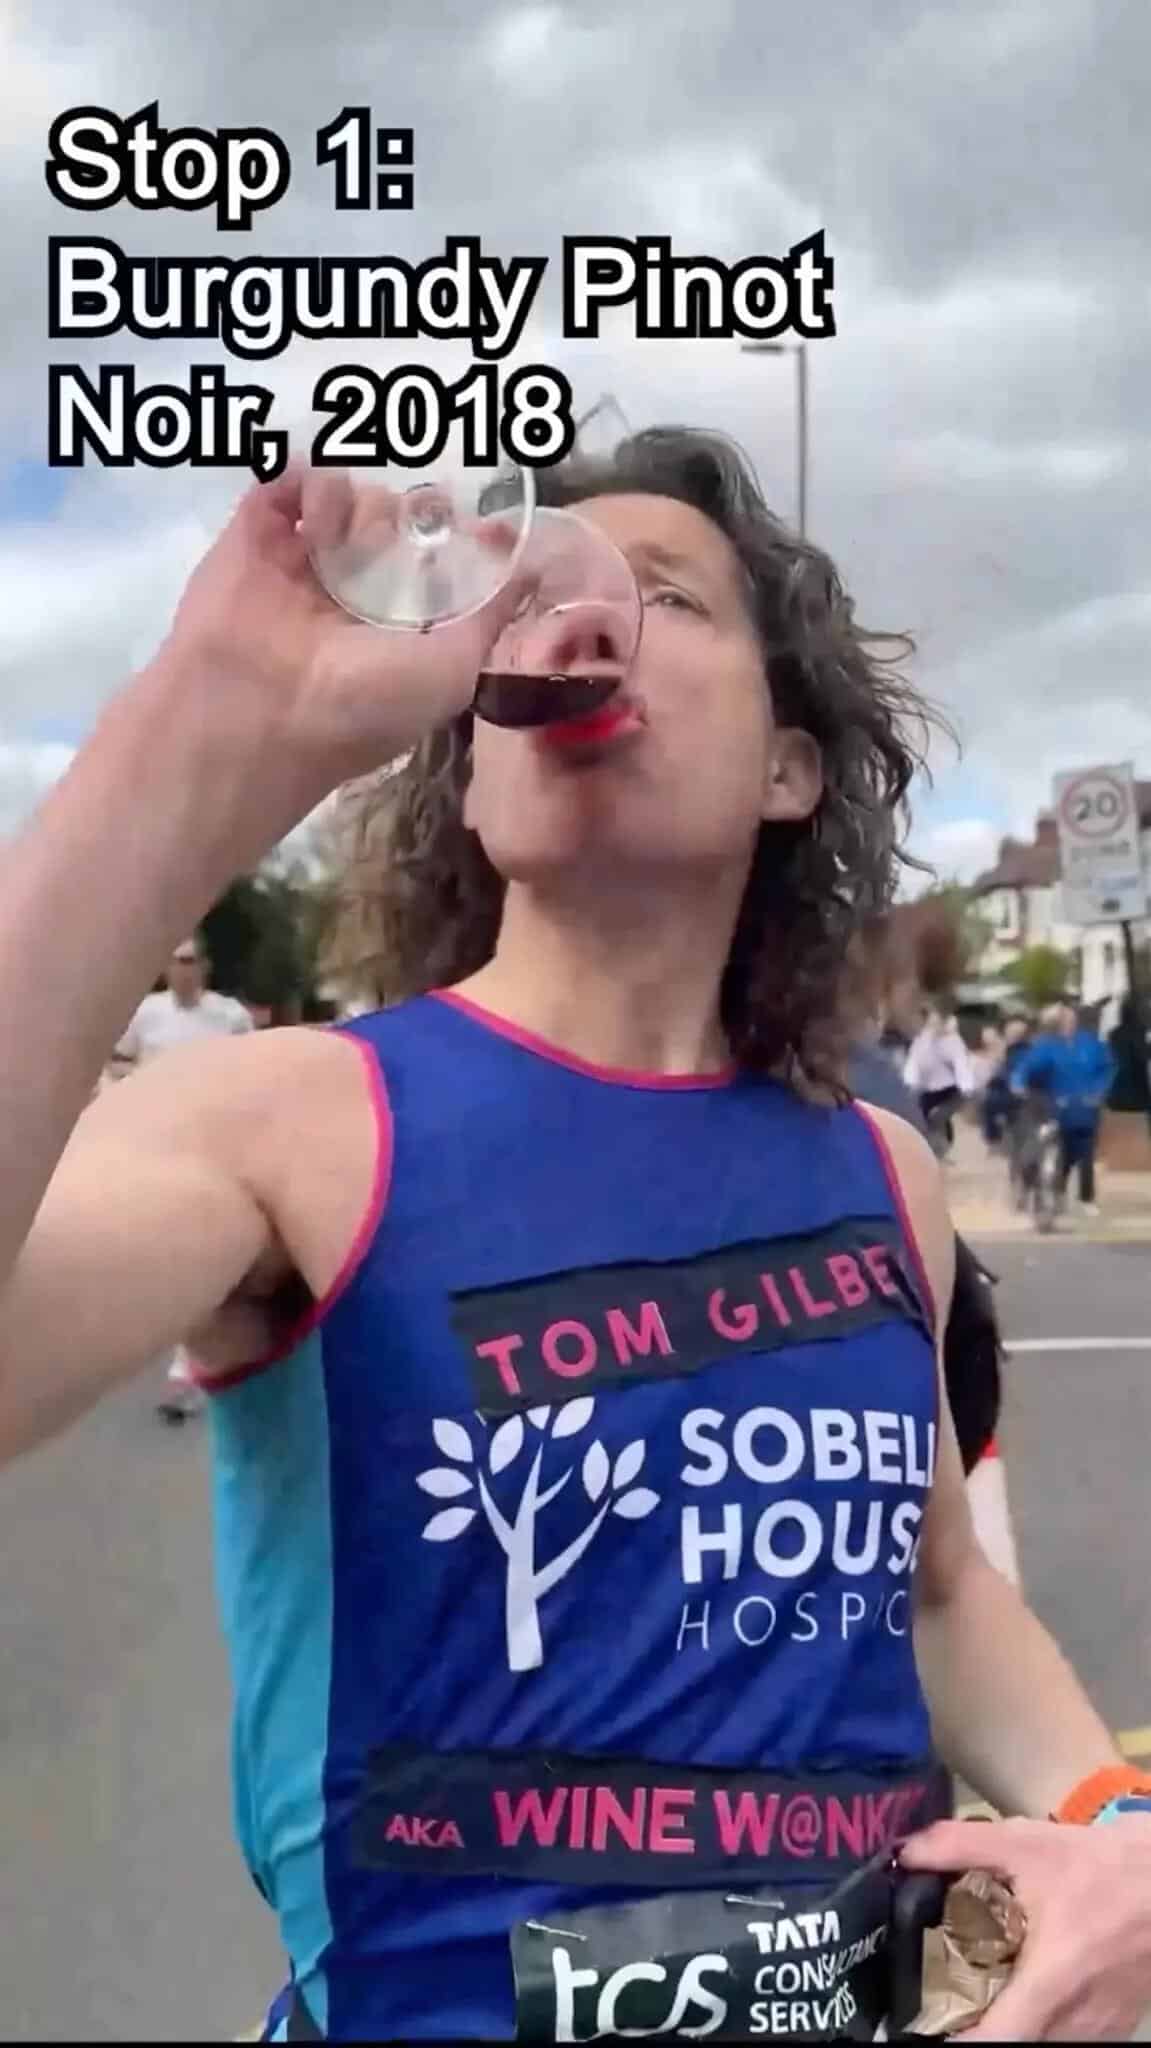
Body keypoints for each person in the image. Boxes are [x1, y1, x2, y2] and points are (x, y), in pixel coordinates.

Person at [1, 433, 1149, 2042]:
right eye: (522, 602)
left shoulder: (883, 1178)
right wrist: (199, 736)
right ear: (469, 771)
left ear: (787, 769)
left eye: (663, 594)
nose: (573, 622)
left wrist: (1113, 1828)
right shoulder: (292, 1125)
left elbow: (939, 1589)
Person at [110, 934, 254, 1418]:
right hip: (152, 1144)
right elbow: (117, 1061)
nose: (182, 970)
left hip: (211, 1149)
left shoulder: (229, 1016)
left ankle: (184, 1371)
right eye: (174, 962)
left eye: (190, 961)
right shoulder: (145, 1014)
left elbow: (253, 1074)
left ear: (205, 967)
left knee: (200, 1248)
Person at [1016, 1001, 1117, 1217]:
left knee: (1086, 1156)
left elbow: (1107, 1068)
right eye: (1063, 1020)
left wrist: (1098, 1092)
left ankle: (1086, 1197)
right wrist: (1020, 1084)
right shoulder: (1046, 1045)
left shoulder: (1090, 1044)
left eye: (1071, 1019)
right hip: (1058, 1110)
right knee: (1064, 1156)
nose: (1068, 1023)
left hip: (1086, 1109)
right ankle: (1056, 1192)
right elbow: (1027, 1068)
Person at [903, 1009, 975, 1156]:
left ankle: (941, 1149)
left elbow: (961, 1063)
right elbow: (914, 1062)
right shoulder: (922, 1039)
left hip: (950, 1089)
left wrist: (967, 1086)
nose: (935, 1026)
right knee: (921, 1118)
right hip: (928, 1089)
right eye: (932, 1022)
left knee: (937, 1117)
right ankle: (932, 1149)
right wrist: (910, 1082)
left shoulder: (952, 1041)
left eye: (938, 1022)